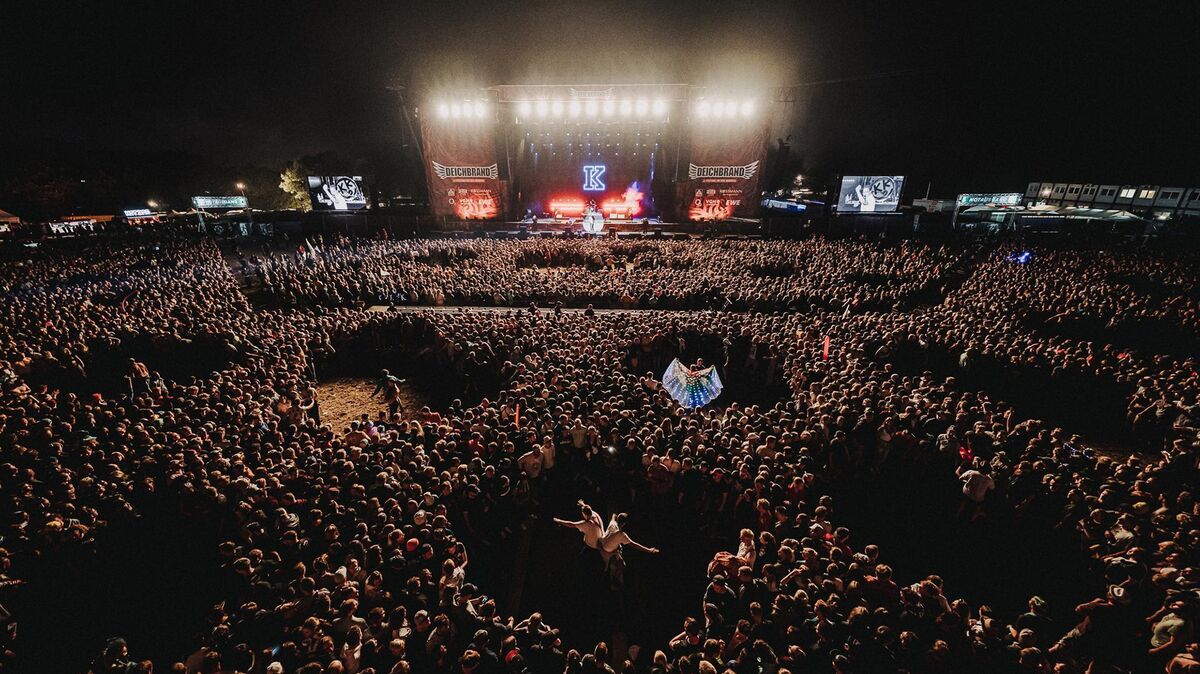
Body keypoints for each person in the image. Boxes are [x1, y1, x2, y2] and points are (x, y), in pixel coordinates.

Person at [599, 513, 659, 588]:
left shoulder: (613, 524)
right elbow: (635, 545)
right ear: (624, 524)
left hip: (602, 544)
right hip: (608, 550)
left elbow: (613, 517)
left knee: (618, 549)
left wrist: (614, 515)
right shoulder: (622, 535)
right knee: (622, 565)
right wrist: (649, 550)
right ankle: (614, 579)